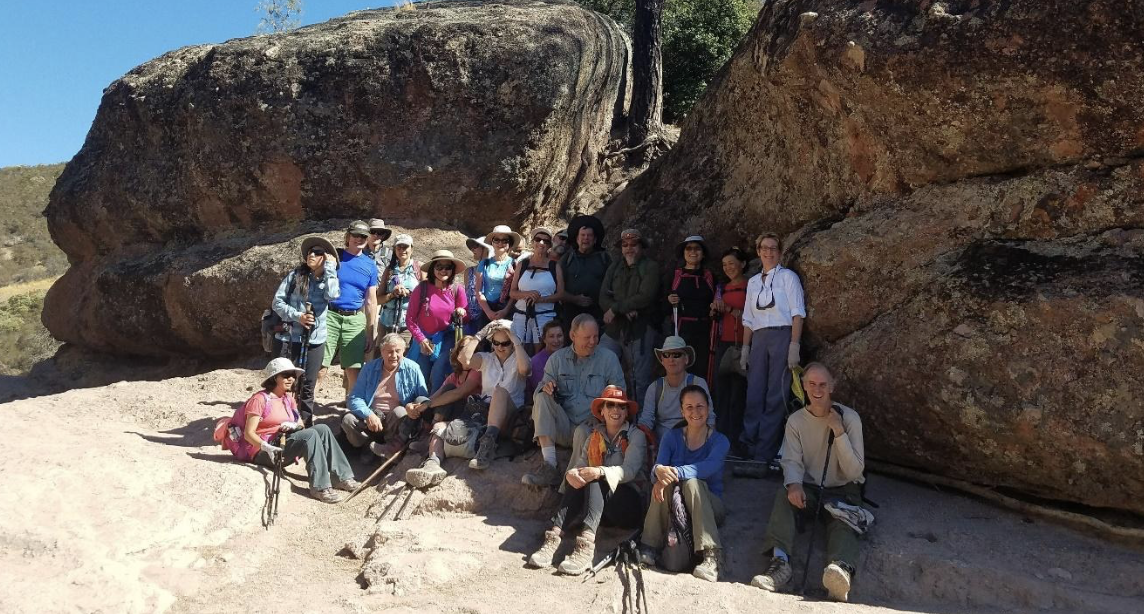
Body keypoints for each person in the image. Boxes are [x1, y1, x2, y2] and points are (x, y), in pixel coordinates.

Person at [751, 363, 865, 602]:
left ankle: (840, 572)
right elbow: (791, 460)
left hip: (844, 488)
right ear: (803, 386)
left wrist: (839, 432)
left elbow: (855, 470)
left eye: (823, 384)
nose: (817, 389)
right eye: (811, 384)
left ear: (832, 386)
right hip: (811, 487)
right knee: (784, 497)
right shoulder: (795, 421)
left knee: (844, 521)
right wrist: (794, 484)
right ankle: (780, 564)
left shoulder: (850, 418)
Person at [526, 386, 647, 575]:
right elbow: (581, 464)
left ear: (626, 413)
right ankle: (554, 537)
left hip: (628, 504)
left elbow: (630, 470)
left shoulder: (635, 435)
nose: (616, 410)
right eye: (611, 405)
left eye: (621, 407)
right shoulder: (593, 437)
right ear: (602, 411)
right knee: (579, 479)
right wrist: (571, 474)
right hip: (600, 505)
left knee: (595, 478)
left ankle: (586, 546)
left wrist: (599, 471)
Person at [237, 358, 360, 504]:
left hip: (282, 442)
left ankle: (342, 476)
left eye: (293, 376)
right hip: (262, 451)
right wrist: (266, 446)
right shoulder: (259, 400)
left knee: (322, 429)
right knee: (311, 435)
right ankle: (320, 487)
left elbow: (300, 425)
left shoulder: (288, 398)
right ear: (274, 377)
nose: (291, 379)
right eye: (286, 375)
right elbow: (248, 433)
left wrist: (294, 426)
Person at [638, 385, 729, 582]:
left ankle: (711, 556)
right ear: (681, 411)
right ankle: (649, 547)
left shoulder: (720, 441)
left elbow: (707, 467)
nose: (695, 412)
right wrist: (659, 473)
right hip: (677, 503)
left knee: (691, 482)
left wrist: (671, 472)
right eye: (689, 407)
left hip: (711, 507)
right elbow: (658, 468)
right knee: (664, 483)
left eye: (700, 406)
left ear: (708, 408)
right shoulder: (672, 437)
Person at [524, 314, 626, 487]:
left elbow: (620, 395)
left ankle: (567, 491)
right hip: (563, 425)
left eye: (595, 336)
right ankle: (549, 466)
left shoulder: (609, 359)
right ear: (573, 336)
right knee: (542, 396)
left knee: (582, 432)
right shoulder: (556, 359)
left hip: (592, 426)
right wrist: (547, 387)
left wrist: (601, 417)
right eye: (587, 337)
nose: (593, 342)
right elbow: (539, 390)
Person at [740, 232, 806, 464]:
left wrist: (794, 346)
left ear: (779, 252)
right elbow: (748, 318)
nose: (768, 252)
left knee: (776, 394)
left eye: (773, 248)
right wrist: (745, 348)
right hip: (758, 338)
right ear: (758, 251)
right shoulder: (753, 282)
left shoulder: (788, 277)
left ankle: (765, 451)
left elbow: (798, 313)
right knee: (754, 391)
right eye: (764, 248)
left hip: (782, 335)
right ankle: (748, 444)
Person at [271, 235, 340, 424]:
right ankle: (280, 420)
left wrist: (331, 269)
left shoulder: (329, 279)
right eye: (310, 251)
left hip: (315, 339)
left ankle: (306, 423)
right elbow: (277, 302)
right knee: (286, 382)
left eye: (318, 253)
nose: (312, 254)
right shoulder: (295, 276)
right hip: (289, 337)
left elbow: (333, 295)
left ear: (325, 259)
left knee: (308, 384)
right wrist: (298, 316)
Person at [404, 339, 484, 488]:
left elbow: (459, 393)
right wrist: (417, 405)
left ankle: (429, 437)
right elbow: (433, 397)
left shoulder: (477, 372)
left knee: (448, 392)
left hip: (466, 415)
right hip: (449, 412)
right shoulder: (454, 376)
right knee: (422, 398)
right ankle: (403, 439)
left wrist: (429, 405)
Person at [455, 320, 530, 470]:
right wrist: (479, 335)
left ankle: (487, 445)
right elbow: (463, 359)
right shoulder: (487, 358)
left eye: (505, 343)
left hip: (511, 418)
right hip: (485, 414)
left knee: (500, 391)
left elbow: (525, 370)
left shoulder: (519, 358)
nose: (500, 347)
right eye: (496, 342)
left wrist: (516, 340)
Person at [342, 333, 430, 459]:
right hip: (372, 416)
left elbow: (423, 398)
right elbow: (354, 397)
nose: (394, 356)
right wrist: (368, 414)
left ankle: (389, 449)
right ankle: (368, 446)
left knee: (400, 412)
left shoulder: (413, 368)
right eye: (389, 351)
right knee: (348, 420)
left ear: (404, 351)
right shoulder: (369, 369)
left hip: (395, 420)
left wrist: (412, 407)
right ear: (382, 351)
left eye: (397, 351)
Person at [321, 220, 380, 401]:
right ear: (348, 237)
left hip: (355, 319)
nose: (359, 239)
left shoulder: (370, 265)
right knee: (320, 367)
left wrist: (370, 332)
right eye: (355, 235)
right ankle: (302, 412)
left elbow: (371, 300)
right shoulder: (335, 256)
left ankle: (351, 415)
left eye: (363, 236)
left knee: (354, 369)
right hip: (330, 314)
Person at [599, 228, 660, 398]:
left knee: (639, 378)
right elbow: (603, 296)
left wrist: (616, 308)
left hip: (639, 329)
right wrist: (621, 309)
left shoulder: (651, 267)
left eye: (633, 244)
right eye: (625, 245)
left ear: (641, 246)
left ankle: (641, 419)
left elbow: (645, 296)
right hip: (614, 329)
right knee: (599, 364)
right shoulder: (614, 267)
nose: (629, 248)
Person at [406, 249, 469, 392]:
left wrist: (461, 312)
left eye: (448, 267)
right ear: (432, 268)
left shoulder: (457, 289)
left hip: (446, 337)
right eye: (439, 267)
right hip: (423, 337)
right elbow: (410, 318)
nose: (443, 271)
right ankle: (419, 406)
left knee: (438, 372)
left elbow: (466, 317)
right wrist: (421, 339)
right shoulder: (421, 289)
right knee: (421, 374)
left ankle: (436, 407)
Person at [637, 336, 714, 444]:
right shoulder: (654, 387)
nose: (671, 359)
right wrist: (639, 435)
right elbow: (646, 420)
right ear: (662, 361)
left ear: (686, 359)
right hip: (662, 445)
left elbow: (709, 417)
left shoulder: (698, 383)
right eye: (666, 355)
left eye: (676, 355)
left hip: (693, 442)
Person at [711, 247, 750, 451]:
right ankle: (722, 438)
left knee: (738, 393)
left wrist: (729, 309)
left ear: (743, 264)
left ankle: (735, 440)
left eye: (732, 263)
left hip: (743, 344)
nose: (728, 268)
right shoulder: (722, 289)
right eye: (725, 264)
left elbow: (754, 316)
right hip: (723, 343)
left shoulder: (751, 287)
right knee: (722, 392)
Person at [667, 235, 716, 379]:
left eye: (697, 248)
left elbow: (717, 295)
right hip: (681, 329)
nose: (693, 252)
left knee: (702, 369)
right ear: (683, 252)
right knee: (680, 368)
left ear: (703, 253)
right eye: (689, 248)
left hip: (704, 330)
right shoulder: (674, 275)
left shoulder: (709, 276)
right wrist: (668, 299)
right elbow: (661, 302)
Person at [509, 227, 564, 354]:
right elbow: (512, 292)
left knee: (543, 352)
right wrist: (527, 295)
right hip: (521, 317)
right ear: (533, 242)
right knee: (518, 352)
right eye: (538, 239)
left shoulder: (554, 267)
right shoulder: (522, 265)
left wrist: (540, 300)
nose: (541, 243)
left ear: (550, 245)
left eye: (545, 241)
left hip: (546, 317)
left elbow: (561, 294)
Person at [557, 215, 610, 333]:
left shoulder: (605, 258)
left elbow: (613, 284)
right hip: (570, 312)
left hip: (597, 313)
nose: (586, 238)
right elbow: (557, 287)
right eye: (583, 235)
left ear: (595, 239)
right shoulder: (566, 259)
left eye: (590, 235)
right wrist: (575, 299)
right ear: (577, 238)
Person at [474, 225, 521, 332]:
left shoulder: (515, 264)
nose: (500, 243)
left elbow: (515, 291)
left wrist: (505, 310)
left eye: (505, 240)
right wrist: (488, 312)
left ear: (510, 244)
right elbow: (478, 291)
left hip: (507, 310)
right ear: (492, 242)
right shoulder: (484, 263)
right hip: (487, 310)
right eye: (497, 240)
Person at [378, 233, 421, 340]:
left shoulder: (419, 269)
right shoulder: (389, 270)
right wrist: (393, 294)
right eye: (399, 247)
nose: (402, 250)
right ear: (395, 249)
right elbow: (378, 300)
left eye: (405, 247)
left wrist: (409, 293)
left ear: (412, 249)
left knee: (403, 354)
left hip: (409, 325)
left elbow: (427, 297)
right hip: (386, 324)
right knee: (383, 354)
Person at [526, 319, 564, 399]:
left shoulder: (570, 357)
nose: (556, 340)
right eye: (551, 336)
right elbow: (542, 391)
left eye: (559, 336)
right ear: (544, 339)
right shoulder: (536, 361)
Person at [463, 236, 491, 334]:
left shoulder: (494, 273)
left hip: (487, 320)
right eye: (472, 247)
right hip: (469, 321)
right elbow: (466, 296)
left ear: (486, 248)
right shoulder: (469, 272)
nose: (472, 249)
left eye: (476, 246)